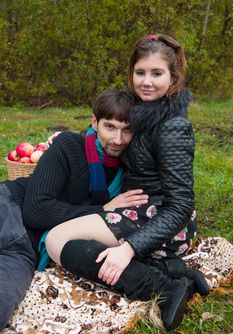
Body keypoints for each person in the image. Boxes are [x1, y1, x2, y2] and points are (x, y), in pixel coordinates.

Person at [44, 34, 209, 332]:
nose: (147, 81)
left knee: (58, 241)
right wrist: (71, 141)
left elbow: (182, 204)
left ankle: (164, 288)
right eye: (140, 72)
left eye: (156, 73)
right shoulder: (140, 108)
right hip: (138, 208)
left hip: (166, 221)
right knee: (61, 242)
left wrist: (129, 248)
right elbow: (108, 124)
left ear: (173, 78)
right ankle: (172, 272)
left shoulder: (174, 127)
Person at [0, 89, 149, 329]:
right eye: (110, 127)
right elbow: (36, 210)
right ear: (94, 122)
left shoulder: (129, 175)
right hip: (8, 207)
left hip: (26, 250)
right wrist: (102, 209)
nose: (118, 139)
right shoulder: (69, 145)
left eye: (127, 129)